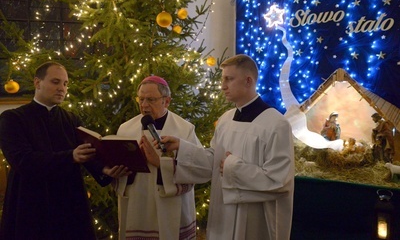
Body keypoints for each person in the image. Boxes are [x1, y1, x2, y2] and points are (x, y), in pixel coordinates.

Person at [160, 54, 295, 240]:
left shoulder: (276, 124)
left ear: (248, 81)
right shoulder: (225, 119)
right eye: (223, 79)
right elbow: (214, 161)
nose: (223, 86)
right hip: (222, 215)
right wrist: (182, 148)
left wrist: (234, 167)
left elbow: (280, 180)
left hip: (254, 221)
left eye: (228, 79)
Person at [0, 62, 129, 240]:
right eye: (55, 82)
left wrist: (104, 170)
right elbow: (22, 161)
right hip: (31, 202)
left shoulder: (71, 119)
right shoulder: (12, 118)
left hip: (69, 202)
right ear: (37, 83)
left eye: (65, 84)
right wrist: (71, 156)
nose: (62, 88)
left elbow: (88, 153)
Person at [114, 76, 201, 240]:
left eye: (151, 99)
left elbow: (197, 169)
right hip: (137, 206)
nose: (144, 105)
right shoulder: (125, 129)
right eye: (141, 99)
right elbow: (120, 174)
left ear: (166, 101)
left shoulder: (184, 130)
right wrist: (119, 169)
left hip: (171, 208)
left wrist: (161, 164)